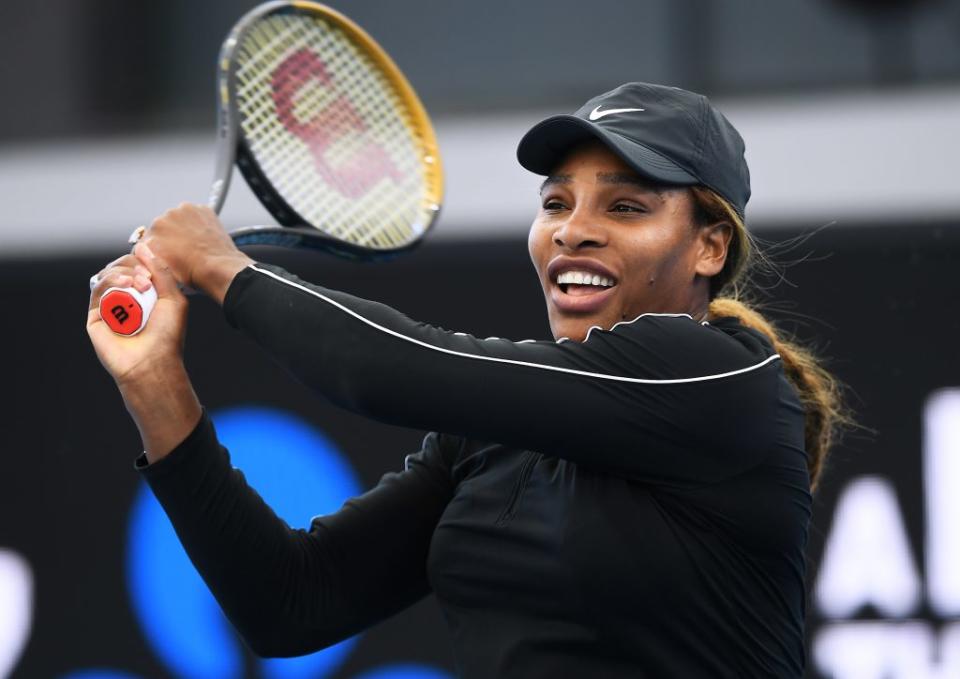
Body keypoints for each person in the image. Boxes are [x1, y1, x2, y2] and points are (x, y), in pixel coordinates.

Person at [87, 82, 846, 678]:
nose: (572, 228)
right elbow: (290, 602)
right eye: (555, 202)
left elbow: (380, 368)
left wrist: (224, 267)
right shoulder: (495, 438)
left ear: (710, 248)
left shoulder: (723, 376)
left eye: (625, 205)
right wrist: (155, 382)